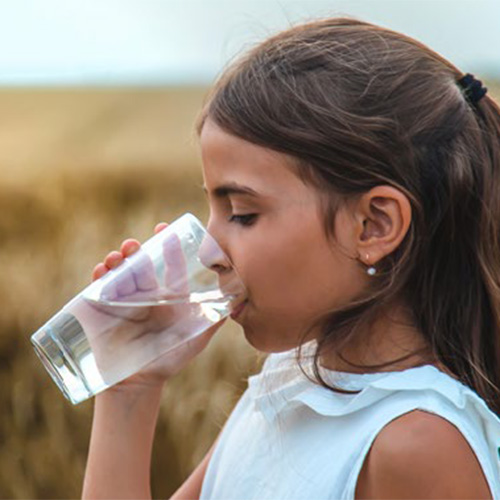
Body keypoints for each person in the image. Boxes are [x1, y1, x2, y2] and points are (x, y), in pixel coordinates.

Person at [82, 17, 500, 499]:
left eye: (241, 213)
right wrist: (130, 389)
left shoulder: (416, 444)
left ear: (374, 226)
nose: (207, 251)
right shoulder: (287, 385)